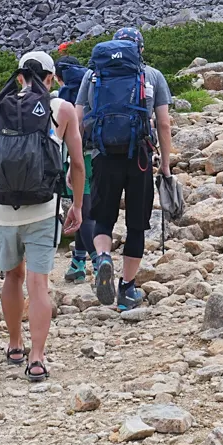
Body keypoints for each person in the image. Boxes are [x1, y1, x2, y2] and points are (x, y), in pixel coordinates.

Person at [0, 50, 84, 382]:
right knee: (39, 283)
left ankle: (14, 344)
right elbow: (76, 163)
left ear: (19, 77)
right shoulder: (62, 110)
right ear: (50, 78)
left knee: (12, 278)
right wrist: (76, 205)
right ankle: (37, 357)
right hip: (44, 207)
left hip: (3, 208)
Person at [76, 26, 173, 312]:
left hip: (103, 154)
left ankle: (103, 256)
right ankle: (127, 290)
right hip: (140, 156)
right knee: (136, 225)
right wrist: (165, 165)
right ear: (140, 49)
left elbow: (79, 119)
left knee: (103, 218)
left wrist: (78, 160)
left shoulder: (92, 75)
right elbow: (164, 124)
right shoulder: (151, 75)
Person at [52, 57, 98, 283]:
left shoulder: (65, 96)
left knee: (84, 212)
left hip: (79, 158)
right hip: (101, 153)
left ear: (58, 77)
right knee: (82, 211)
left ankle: (100, 263)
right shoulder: (93, 82)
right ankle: (78, 264)